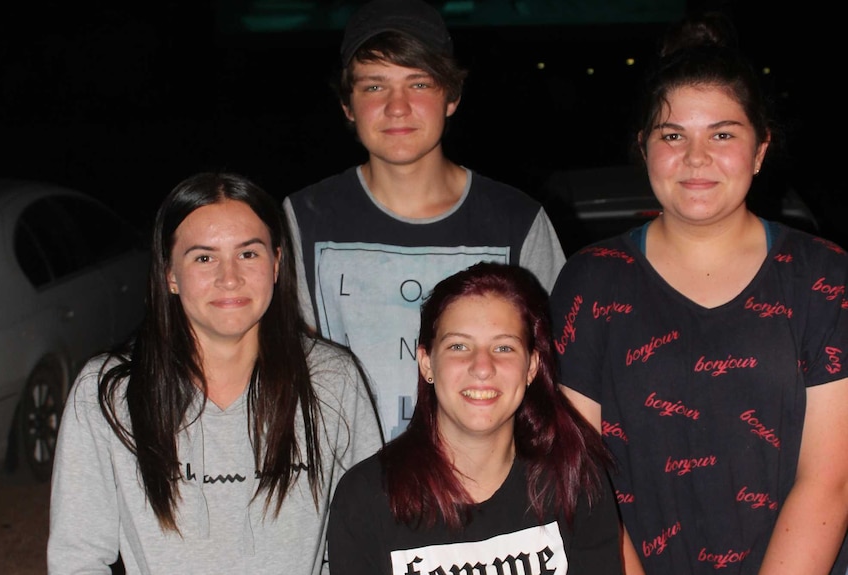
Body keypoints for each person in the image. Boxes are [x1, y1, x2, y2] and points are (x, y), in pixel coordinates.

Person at [553, 11, 848, 575]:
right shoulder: (591, 281)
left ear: (760, 150)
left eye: (722, 134)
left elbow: (829, 480)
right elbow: (581, 482)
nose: (695, 158)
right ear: (643, 149)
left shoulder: (823, 277)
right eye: (672, 136)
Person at [47, 172, 384, 574]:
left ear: (277, 263)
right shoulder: (109, 392)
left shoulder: (333, 380)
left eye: (248, 254)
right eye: (204, 257)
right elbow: (78, 556)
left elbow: (366, 540)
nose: (230, 278)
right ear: (170, 273)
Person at [283, 0, 566, 442]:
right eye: (374, 87)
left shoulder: (517, 222)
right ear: (347, 105)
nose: (398, 107)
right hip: (347, 493)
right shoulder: (301, 219)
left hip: (485, 494)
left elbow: (556, 374)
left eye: (419, 83)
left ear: (451, 96)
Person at [327, 261, 621, 574]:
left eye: (504, 347)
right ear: (426, 363)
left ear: (532, 366)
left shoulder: (574, 477)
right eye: (459, 346)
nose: (482, 367)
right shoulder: (365, 498)